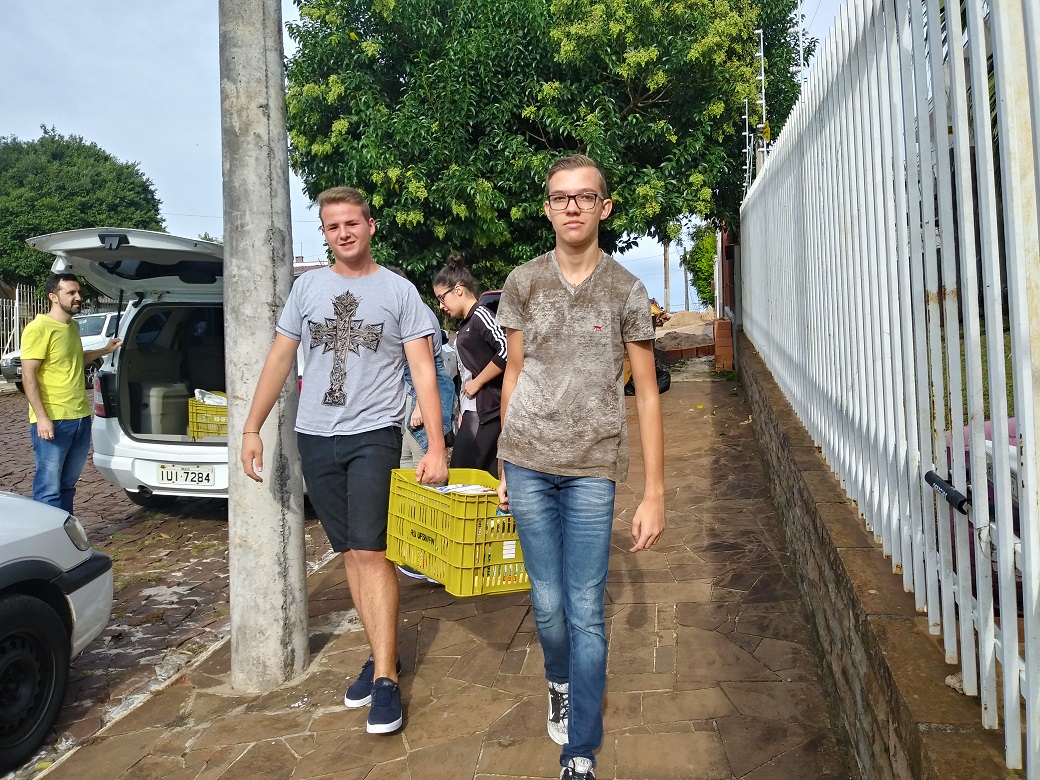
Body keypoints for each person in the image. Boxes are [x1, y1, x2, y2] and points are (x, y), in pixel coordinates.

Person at [240, 186, 448, 735]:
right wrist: (252, 426)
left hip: (373, 433)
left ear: (370, 226)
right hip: (315, 436)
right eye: (332, 227)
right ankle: (383, 652)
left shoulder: (398, 292)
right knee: (351, 554)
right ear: (325, 234)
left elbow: (423, 371)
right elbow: (281, 358)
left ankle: (385, 679)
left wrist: (436, 446)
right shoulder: (307, 289)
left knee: (373, 551)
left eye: (352, 223)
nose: (343, 233)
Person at [495, 155, 665, 780]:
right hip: (528, 462)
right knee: (546, 603)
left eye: (584, 196)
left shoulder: (626, 290)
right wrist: (505, 466)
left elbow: (646, 393)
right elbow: (513, 375)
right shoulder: (523, 283)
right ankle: (558, 682)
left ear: (604, 207)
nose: (572, 206)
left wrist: (654, 493)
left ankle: (580, 748)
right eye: (561, 197)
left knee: (586, 607)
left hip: (594, 466)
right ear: (547, 208)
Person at [21, 273, 121, 513]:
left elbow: (75, 359)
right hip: (53, 420)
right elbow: (28, 375)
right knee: (49, 488)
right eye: (71, 293)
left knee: (67, 485)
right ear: (53, 297)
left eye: (78, 292)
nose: (78, 297)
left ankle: (66, 531)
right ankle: (47, 534)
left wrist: (105, 350)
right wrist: (42, 418)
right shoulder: (38, 328)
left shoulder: (72, 326)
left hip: (80, 417)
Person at [432, 255, 508, 476]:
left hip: (486, 411)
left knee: (460, 475)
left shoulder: (481, 315)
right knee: (482, 479)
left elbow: (508, 349)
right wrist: (463, 409)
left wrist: (478, 382)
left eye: (442, 298)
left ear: (458, 290)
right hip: (473, 411)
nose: (441, 306)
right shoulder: (466, 323)